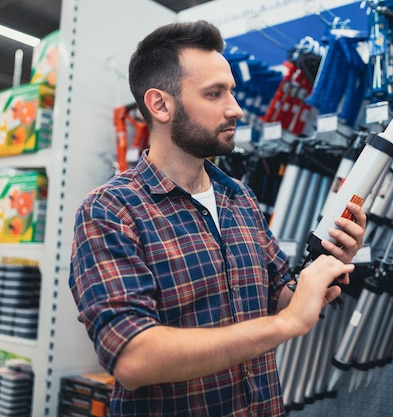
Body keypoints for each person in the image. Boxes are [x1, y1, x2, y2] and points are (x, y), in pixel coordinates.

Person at [68, 20, 366, 417]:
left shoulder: (238, 196)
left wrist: (327, 268)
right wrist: (288, 324)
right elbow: (133, 358)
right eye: (215, 94)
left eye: (232, 91)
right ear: (160, 105)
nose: (236, 109)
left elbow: (278, 297)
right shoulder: (110, 210)